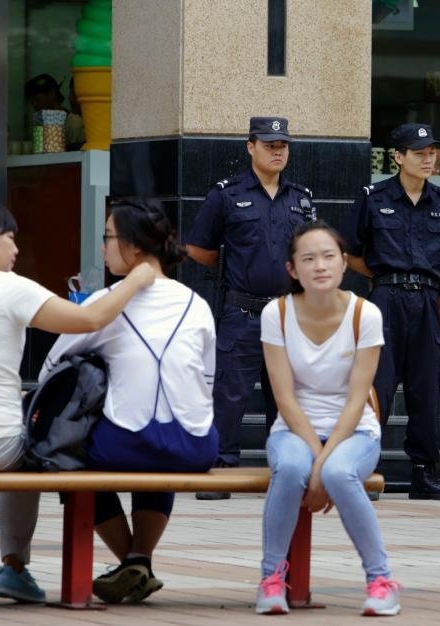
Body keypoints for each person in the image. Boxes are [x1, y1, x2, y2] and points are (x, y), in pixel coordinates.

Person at [0, 199, 159, 603]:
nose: (16, 249)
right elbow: (89, 320)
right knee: (30, 447)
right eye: (10, 238)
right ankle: (14, 567)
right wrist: (136, 280)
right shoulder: (10, 287)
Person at [41, 199, 218, 604]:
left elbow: (52, 364)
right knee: (159, 450)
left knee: (69, 457)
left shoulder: (105, 302)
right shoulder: (198, 305)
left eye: (108, 237)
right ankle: (138, 559)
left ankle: (135, 563)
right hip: (196, 446)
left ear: (135, 247)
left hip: (127, 444)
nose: (102, 247)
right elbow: (206, 379)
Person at [256, 220, 400, 616]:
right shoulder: (277, 312)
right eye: (308, 258)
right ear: (292, 269)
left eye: (328, 256)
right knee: (288, 468)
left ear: (345, 263)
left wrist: (323, 461)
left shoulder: (364, 314)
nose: (319, 265)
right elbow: (284, 398)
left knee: (338, 473)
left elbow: (357, 401)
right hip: (294, 428)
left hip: (355, 431)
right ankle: (270, 580)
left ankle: (381, 580)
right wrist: (314, 457)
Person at [186, 116, 316, 499]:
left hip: (287, 316)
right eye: (270, 144)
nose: (278, 151)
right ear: (250, 147)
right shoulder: (227, 195)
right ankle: (222, 470)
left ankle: (287, 470)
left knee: (286, 396)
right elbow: (199, 248)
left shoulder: (301, 198)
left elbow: (311, 252)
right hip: (241, 313)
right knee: (230, 394)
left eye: (283, 145)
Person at [346, 122, 440, 500]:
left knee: (426, 387)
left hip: (427, 302)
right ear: (398, 157)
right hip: (385, 301)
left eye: (432, 152)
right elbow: (350, 253)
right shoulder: (373, 196)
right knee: (376, 387)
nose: (428, 159)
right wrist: (386, 277)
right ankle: (366, 469)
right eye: (419, 153)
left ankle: (424, 474)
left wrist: (424, 285)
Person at [24, 73, 85, 150]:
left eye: (36, 99)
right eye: (31, 101)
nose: (34, 104)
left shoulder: (74, 123)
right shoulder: (39, 126)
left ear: (52, 94)